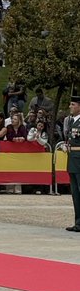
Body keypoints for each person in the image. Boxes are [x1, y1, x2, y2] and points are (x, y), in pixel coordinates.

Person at [62, 94, 80, 233]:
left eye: (73, 104)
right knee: (75, 193)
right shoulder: (72, 121)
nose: (70, 107)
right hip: (73, 159)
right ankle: (78, 223)